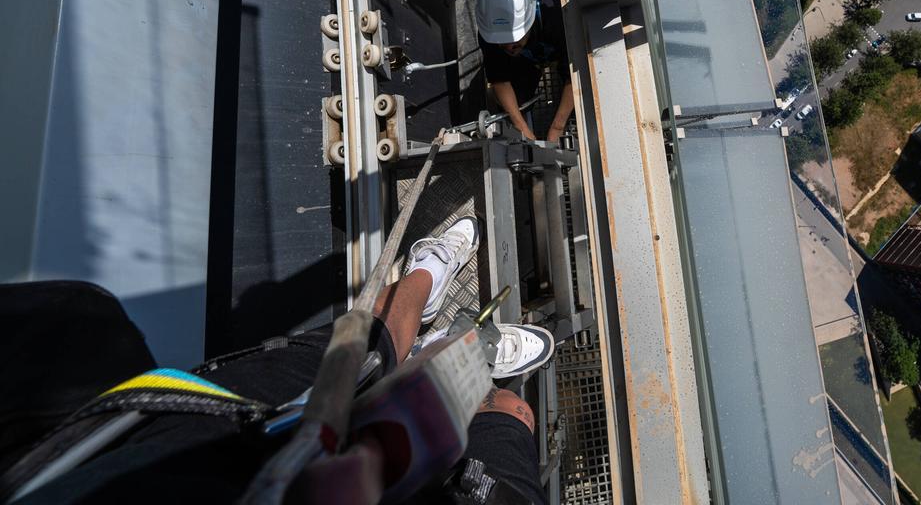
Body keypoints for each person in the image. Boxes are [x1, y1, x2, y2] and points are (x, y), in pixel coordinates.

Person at [1, 218, 554, 504]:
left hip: (205, 435)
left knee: (373, 341)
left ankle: (425, 276)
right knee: (510, 419)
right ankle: (479, 376)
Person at [475, 0, 573, 143]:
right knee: (516, 102)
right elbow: (500, 80)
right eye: (501, 42)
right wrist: (522, 128)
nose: (508, 47)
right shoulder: (490, 30)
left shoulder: (559, 17)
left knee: (583, 93)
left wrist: (558, 127)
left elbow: (575, 75)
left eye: (514, 40)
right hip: (529, 57)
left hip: (557, 46)